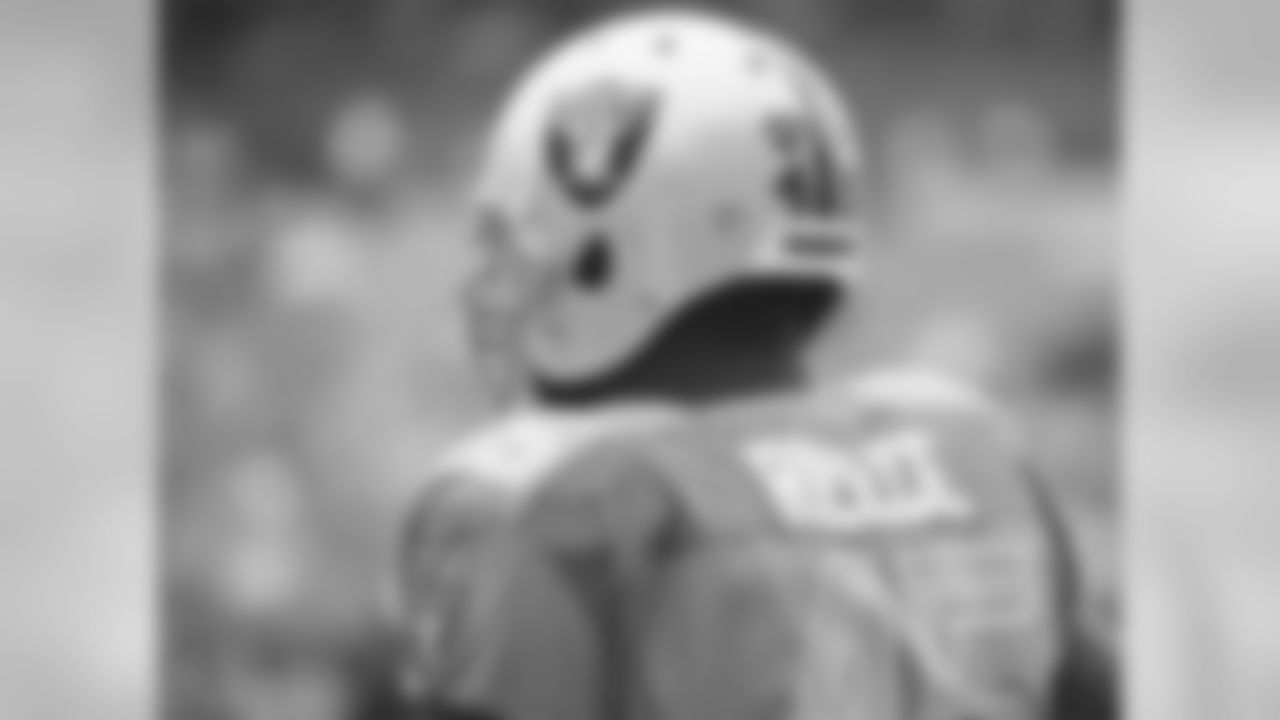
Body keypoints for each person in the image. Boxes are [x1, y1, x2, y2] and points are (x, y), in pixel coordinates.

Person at [392, 8, 1114, 720]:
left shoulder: (568, 503)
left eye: (525, 239)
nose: (509, 277)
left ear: (611, 252)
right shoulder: (970, 448)